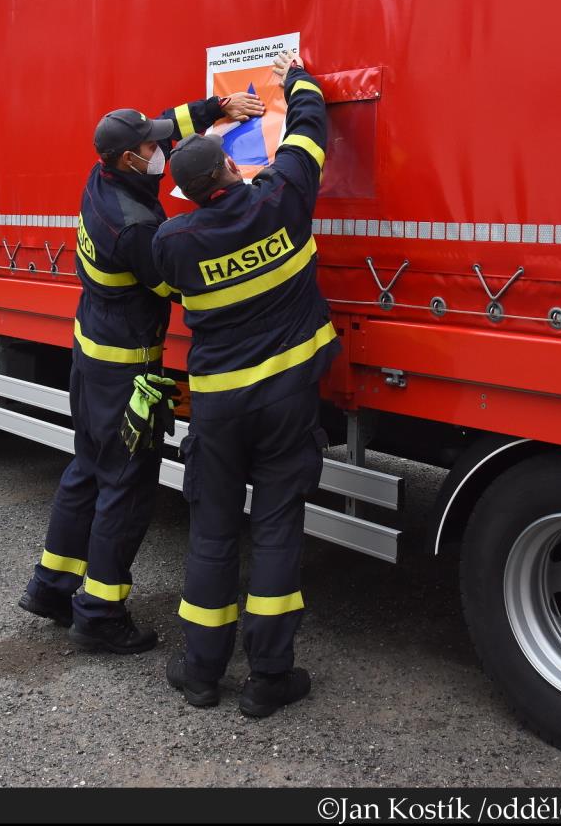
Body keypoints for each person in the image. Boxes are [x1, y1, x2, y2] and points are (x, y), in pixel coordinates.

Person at [19, 89, 265, 654]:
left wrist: (216, 108)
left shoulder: (101, 177)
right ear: (130, 159)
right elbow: (174, 287)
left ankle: (52, 587)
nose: (162, 150)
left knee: (87, 468)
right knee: (125, 486)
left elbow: (167, 124)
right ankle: (100, 613)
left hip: (91, 357)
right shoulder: (132, 228)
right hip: (124, 372)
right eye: (152, 148)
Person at [153, 48, 336, 717]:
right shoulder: (280, 200)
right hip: (288, 400)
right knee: (278, 529)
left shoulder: (174, 240)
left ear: (186, 191)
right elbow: (307, 137)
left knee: (212, 533)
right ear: (233, 167)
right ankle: (268, 679)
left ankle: (201, 673)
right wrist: (299, 81)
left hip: (219, 407)